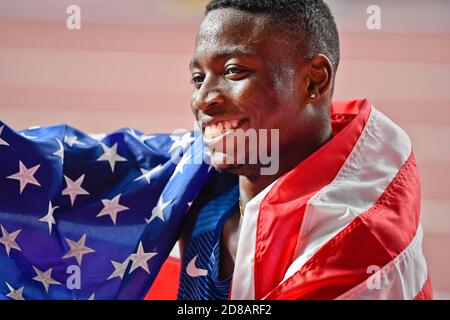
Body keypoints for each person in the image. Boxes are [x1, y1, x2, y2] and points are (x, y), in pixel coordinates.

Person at [176, 0, 432, 300]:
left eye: (234, 71)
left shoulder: (351, 245)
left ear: (313, 80)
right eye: (198, 79)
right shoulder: (200, 180)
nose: (202, 100)